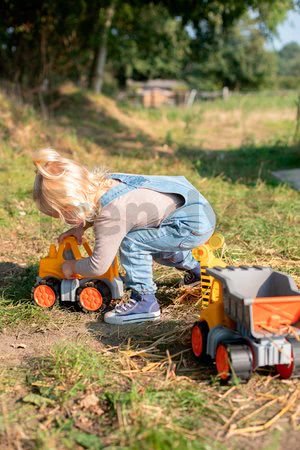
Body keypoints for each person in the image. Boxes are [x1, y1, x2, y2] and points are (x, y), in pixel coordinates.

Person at [33, 149, 216, 325]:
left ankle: (145, 302)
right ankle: (198, 272)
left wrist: (71, 266)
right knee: (155, 241)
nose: (65, 221)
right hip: (193, 208)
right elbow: (97, 208)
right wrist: (81, 226)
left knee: (133, 243)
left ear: (73, 206)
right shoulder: (106, 183)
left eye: (64, 216)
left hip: (190, 224)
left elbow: (98, 266)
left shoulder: (110, 215)